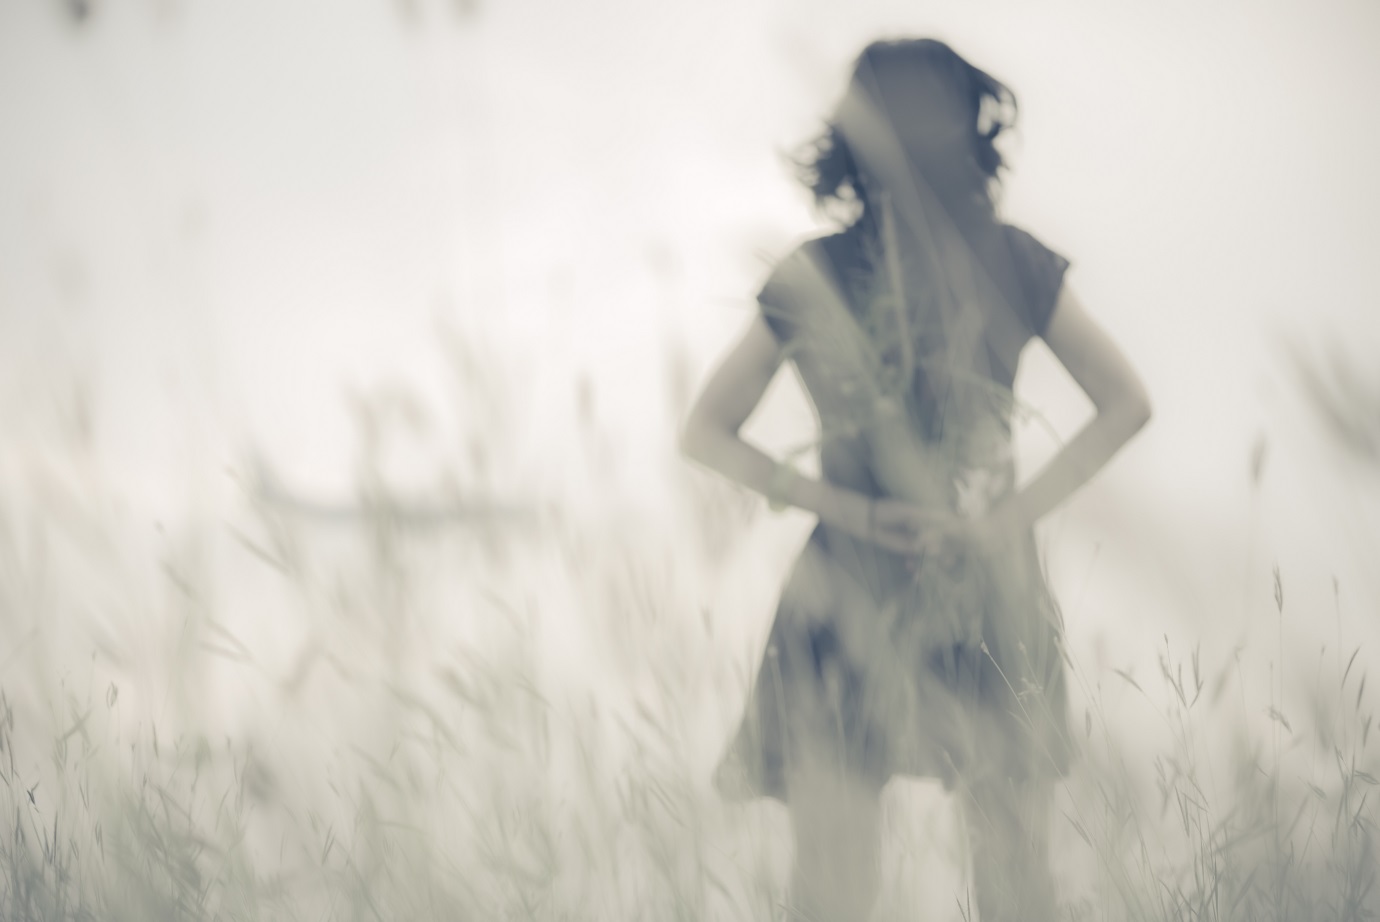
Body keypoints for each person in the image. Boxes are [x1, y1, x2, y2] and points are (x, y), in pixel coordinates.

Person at [680, 38, 1152, 922]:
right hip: (937, 586)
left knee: (881, 891)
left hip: (915, 583)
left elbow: (707, 432)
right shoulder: (986, 261)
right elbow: (1125, 403)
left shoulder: (845, 268)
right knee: (959, 888)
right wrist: (987, 521)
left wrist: (881, 512)